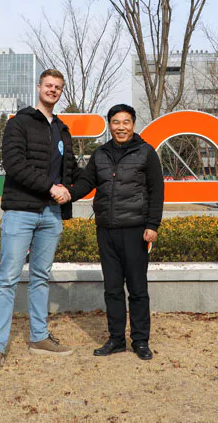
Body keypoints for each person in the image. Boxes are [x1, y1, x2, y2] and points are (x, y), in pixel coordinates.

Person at [0, 69, 77, 372]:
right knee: (7, 280)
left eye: (58, 87)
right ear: (38, 87)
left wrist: (68, 192)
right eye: (48, 85)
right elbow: (13, 163)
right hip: (21, 211)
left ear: (61, 92)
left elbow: (70, 170)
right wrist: (50, 187)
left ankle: (39, 337)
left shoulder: (62, 129)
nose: (52, 90)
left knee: (41, 277)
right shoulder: (19, 122)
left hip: (51, 214)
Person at [70, 104, 164, 360]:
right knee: (112, 288)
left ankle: (141, 341)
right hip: (107, 230)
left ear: (133, 124)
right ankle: (116, 339)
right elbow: (86, 183)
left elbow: (157, 191)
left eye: (126, 122)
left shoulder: (146, 153)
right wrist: (67, 194)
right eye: (115, 122)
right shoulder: (100, 154)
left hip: (136, 231)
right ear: (109, 125)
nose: (120, 127)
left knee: (137, 288)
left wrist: (152, 225)